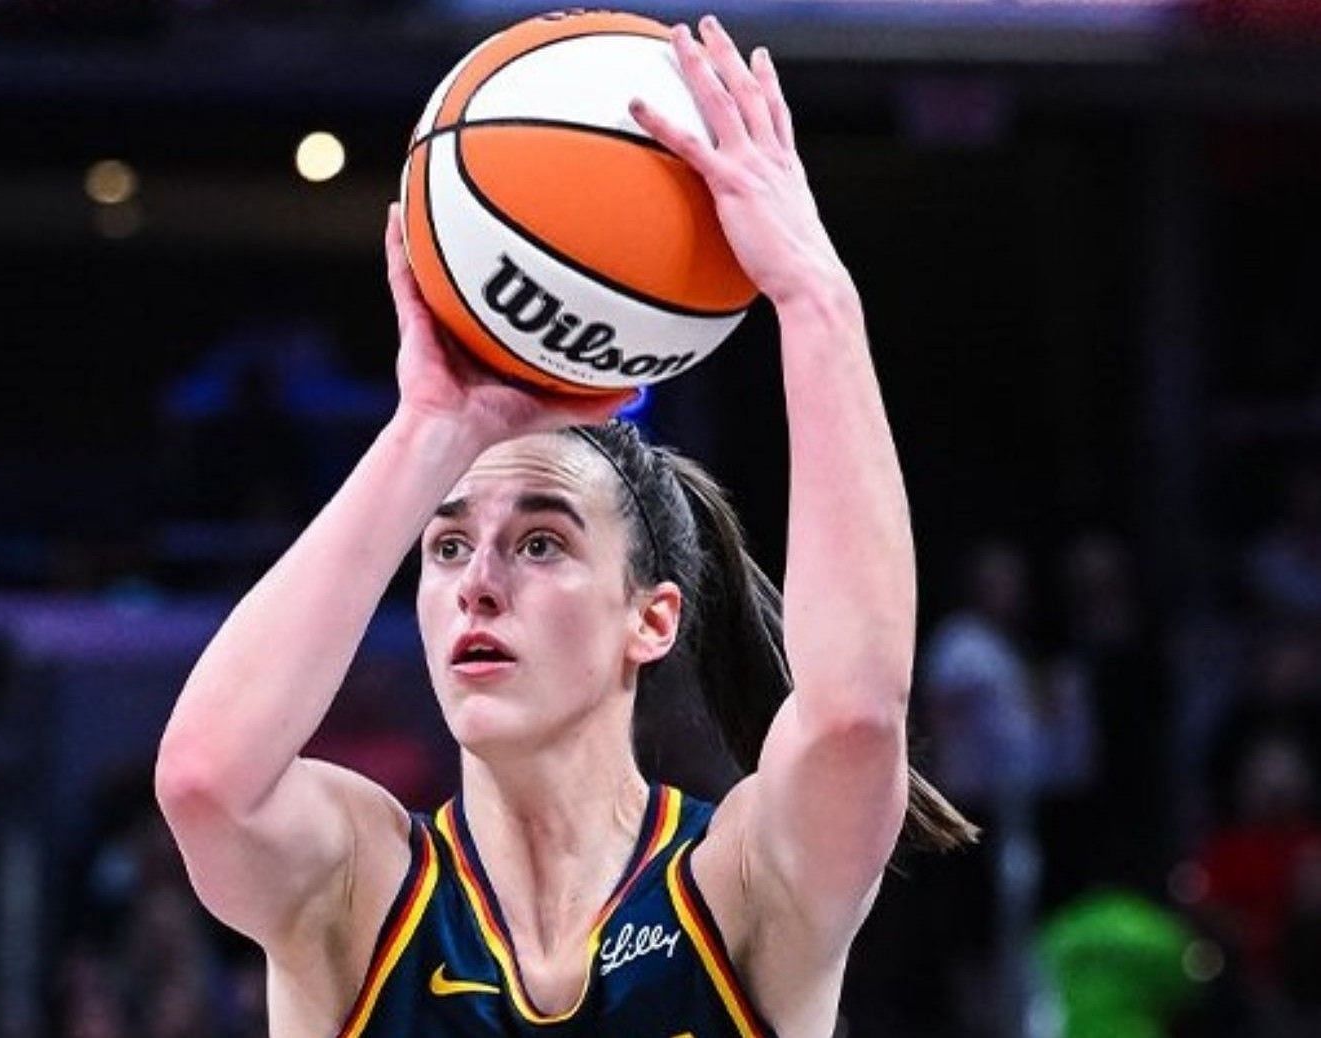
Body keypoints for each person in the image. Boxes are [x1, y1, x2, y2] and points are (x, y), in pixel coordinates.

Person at [155, 16, 973, 1038]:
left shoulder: (740, 886)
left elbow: (853, 716)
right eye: (447, 545)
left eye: (539, 542)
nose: (478, 581)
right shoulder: (359, 889)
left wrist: (814, 300)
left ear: (652, 619)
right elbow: (203, 780)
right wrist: (428, 433)